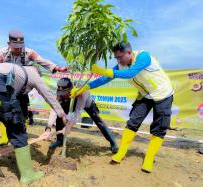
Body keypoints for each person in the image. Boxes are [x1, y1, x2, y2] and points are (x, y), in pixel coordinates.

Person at [71, 41, 174, 173]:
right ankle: (121, 153)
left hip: (163, 94)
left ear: (129, 52)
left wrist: (104, 71)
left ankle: (148, 158)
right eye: (116, 58)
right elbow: (104, 79)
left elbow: (130, 74)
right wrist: (85, 87)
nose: (118, 60)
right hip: (145, 95)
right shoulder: (121, 65)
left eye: (120, 57)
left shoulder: (143, 57)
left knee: (159, 128)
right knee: (132, 122)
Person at [0, 30, 67, 146]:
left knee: (24, 115)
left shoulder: (29, 53)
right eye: (16, 47)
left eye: (20, 47)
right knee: (5, 113)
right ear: (9, 44)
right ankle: (4, 139)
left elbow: (42, 61)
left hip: (22, 91)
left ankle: (21, 135)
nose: (19, 50)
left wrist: (57, 67)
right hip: (7, 90)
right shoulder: (1, 54)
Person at [44, 77, 118, 153]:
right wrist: (49, 127)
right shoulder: (60, 92)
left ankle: (113, 142)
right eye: (62, 93)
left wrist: (68, 126)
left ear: (71, 89)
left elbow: (77, 111)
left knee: (98, 120)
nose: (63, 95)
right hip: (71, 101)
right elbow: (54, 109)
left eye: (65, 94)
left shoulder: (82, 91)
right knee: (59, 115)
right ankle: (60, 140)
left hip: (86, 103)